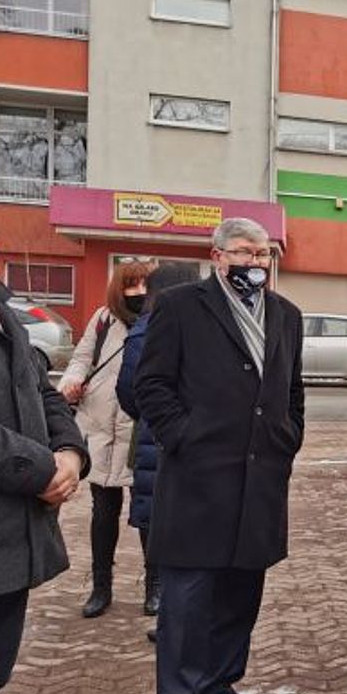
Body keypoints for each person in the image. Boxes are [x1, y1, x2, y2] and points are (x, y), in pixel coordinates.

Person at [134, 218, 304, 694]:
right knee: (187, 599)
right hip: (198, 479)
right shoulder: (182, 306)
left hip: (260, 480)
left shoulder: (286, 315)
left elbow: (291, 388)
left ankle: (219, 686)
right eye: (243, 252)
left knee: (241, 590)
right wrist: (183, 437)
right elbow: (151, 385)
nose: (254, 261)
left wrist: (287, 439)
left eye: (263, 253)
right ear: (217, 255)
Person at [0, 265, 88, 694]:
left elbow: (43, 392)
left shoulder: (5, 312)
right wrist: (42, 469)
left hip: (8, 543)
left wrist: (71, 452)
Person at [58, 260, 153, 618]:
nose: (139, 291)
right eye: (132, 284)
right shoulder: (102, 320)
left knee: (148, 515)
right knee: (103, 514)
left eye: (146, 283)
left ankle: (154, 588)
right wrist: (71, 381)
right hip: (99, 429)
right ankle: (101, 587)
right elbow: (81, 358)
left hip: (139, 434)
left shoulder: (159, 321)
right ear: (119, 287)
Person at [117, 264, 203, 645]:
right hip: (189, 440)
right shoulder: (202, 323)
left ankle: (162, 600)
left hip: (156, 437)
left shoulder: (146, 326)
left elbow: (130, 391)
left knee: (158, 521)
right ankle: (177, 612)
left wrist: (157, 417)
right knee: (186, 526)